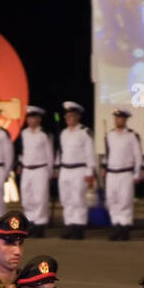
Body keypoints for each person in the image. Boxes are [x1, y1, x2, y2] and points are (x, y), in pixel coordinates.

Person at [56, 101, 95, 239]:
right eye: (67, 116)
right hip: (65, 169)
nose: (68, 118)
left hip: (79, 169)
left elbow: (90, 153)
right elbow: (61, 152)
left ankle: (79, 226)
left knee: (78, 198)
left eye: (71, 116)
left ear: (77, 116)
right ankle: (69, 224)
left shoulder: (84, 132)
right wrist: (57, 166)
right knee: (66, 199)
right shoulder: (64, 133)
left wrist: (90, 171)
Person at [14, 106, 54, 237]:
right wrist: (20, 164)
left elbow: (49, 155)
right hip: (27, 169)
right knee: (27, 197)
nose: (31, 120)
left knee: (40, 198)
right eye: (29, 117)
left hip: (40, 169)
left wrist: (50, 172)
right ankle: (30, 222)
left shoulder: (44, 134)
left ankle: (40, 224)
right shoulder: (24, 133)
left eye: (33, 117)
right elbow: (21, 152)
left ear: (39, 119)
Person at [104, 108, 143, 240]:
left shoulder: (132, 135)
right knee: (112, 200)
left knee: (125, 201)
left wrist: (137, 173)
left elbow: (138, 156)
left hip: (125, 172)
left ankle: (125, 227)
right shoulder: (109, 135)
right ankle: (116, 225)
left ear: (125, 120)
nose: (117, 120)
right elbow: (108, 153)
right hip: (111, 173)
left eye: (120, 118)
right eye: (116, 118)